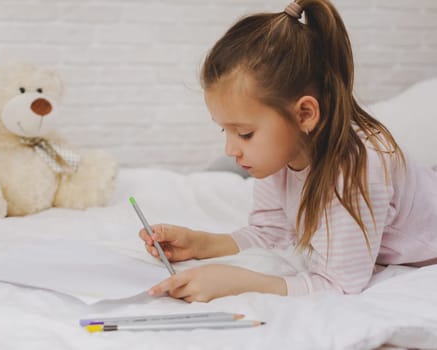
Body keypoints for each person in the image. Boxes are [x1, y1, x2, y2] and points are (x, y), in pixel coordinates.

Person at [139, 0, 437, 302]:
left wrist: (238, 282)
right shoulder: (280, 155)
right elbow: (272, 232)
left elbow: (340, 284)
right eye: (224, 130)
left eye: (244, 133)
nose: (230, 150)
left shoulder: (357, 167)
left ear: (305, 114)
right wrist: (199, 244)